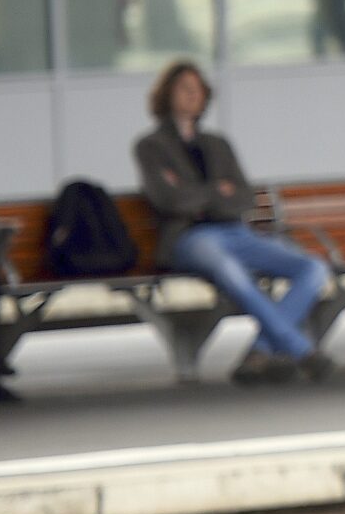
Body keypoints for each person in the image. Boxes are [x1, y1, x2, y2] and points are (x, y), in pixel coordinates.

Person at [133, 61, 334, 384]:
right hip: (191, 238)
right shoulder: (150, 147)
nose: (192, 95)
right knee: (231, 272)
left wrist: (195, 194)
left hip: (235, 231)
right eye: (185, 88)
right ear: (167, 94)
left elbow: (243, 198)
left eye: (198, 89)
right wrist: (215, 191)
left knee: (313, 268)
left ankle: (260, 353)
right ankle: (301, 350)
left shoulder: (217, 144)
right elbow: (169, 201)